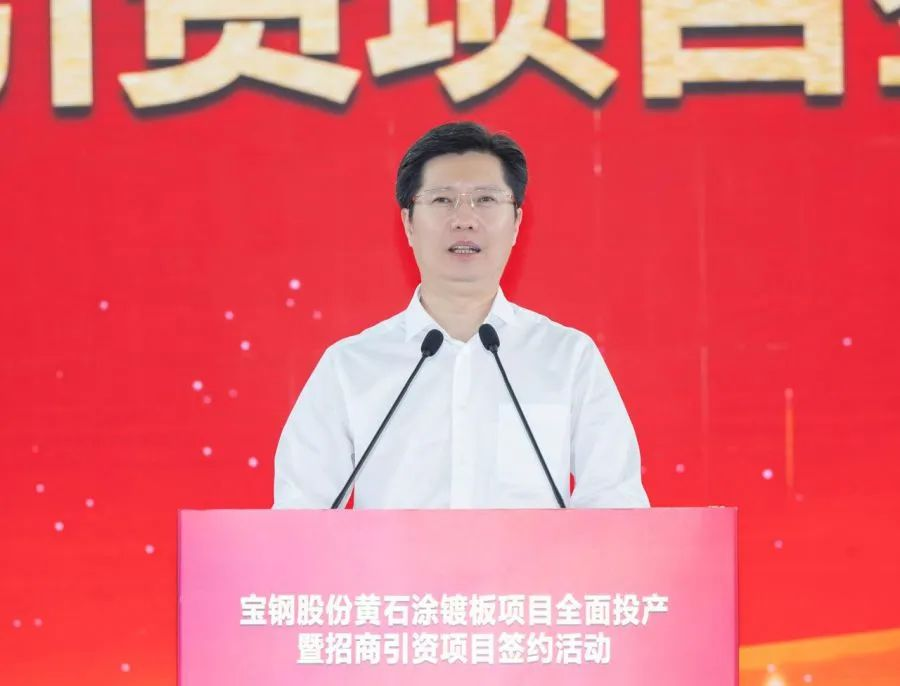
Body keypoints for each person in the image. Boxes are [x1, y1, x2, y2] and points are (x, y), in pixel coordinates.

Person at [273, 122, 649, 509]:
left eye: (485, 199)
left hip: (534, 555)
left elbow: (616, 503)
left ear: (517, 223)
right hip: (391, 555)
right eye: (442, 200)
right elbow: (299, 513)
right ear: (408, 224)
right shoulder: (350, 366)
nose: (464, 219)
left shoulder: (568, 357)